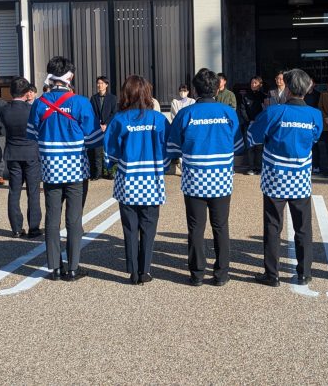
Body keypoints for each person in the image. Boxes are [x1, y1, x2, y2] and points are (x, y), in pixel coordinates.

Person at [166, 69, 244, 287]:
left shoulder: (186, 114)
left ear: (195, 90)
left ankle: (197, 273)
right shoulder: (228, 112)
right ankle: (221, 274)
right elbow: (238, 146)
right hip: (221, 178)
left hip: (194, 179)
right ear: (217, 88)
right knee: (221, 226)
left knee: (196, 227)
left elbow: (173, 147)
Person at [27, 57, 103, 282]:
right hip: (76, 169)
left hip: (50, 168)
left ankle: (53, 267)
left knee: (52, 218)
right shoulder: (80, 102)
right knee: (74, 219)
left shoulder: (39, 103)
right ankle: (73, 268)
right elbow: (94, 139)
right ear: (70, 76)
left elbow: (32, 134)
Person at [247, 68, 323, 287]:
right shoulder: (315, 114)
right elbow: (315, 138)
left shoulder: (274, 112)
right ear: (307, 89)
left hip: (275, 177)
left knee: (273, 226)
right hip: (300, 177)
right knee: (303, 227)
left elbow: (253, 137)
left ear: (288, 88)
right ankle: (305, 273)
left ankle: (272, 274)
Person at [104, 75, 169, 285]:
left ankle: (132, 271)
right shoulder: (159, 119)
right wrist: (163, 166)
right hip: (152, 180)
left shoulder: (119, 119)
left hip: (128, 180)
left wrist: (111, 165)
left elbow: (110, 152)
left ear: (126, 94)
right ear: (147, 93)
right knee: (149, 227)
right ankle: (145, 270)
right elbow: (168, 150)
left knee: (130, 227)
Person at [0, 77, 42, 240]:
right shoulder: (32, 109)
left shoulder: (3, 109)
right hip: (31, 152)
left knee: (14, 191)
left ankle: (16, 229)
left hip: (12, 152)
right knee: (33, 192)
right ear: (26, 92)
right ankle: (34, 228)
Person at [89, 76, 117, 181]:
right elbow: (91, 113)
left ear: (106, 85)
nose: (99, 85)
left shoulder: (112, 98)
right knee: (97, 151)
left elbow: (114, 113)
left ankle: (109, 172)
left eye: (101, 83)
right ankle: (98, 173)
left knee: (108, 150)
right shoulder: (93, 98)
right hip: (97, 128)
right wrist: (98, 124)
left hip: (108, 128)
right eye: (98, 83)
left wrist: (106, 124)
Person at [238, 75, 267, 175]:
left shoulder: (263, 96)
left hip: (260, 125)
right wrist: (248, 120)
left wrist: (259, 121)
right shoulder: (245, 96)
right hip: (249, 124)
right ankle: (251, 167)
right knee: (250, 146)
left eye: (255, 83)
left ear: (260, 84)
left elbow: (265, 110)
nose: (253, 85)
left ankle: (258, 167)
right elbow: (242, 110)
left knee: (259, 146)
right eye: (252, 83)